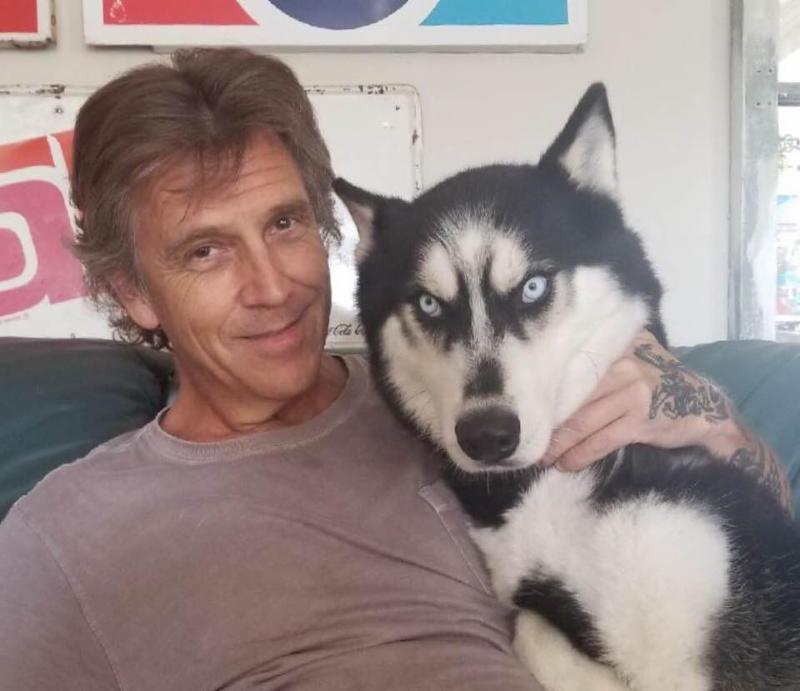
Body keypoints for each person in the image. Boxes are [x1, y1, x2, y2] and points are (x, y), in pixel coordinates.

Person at [0, 48, 790, 691]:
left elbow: (763, 555)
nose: (272, 286)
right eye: (206, 250)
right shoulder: (63, 537)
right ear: (134, 290)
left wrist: (707, 417)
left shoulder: (458, 402)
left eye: (285, 223)